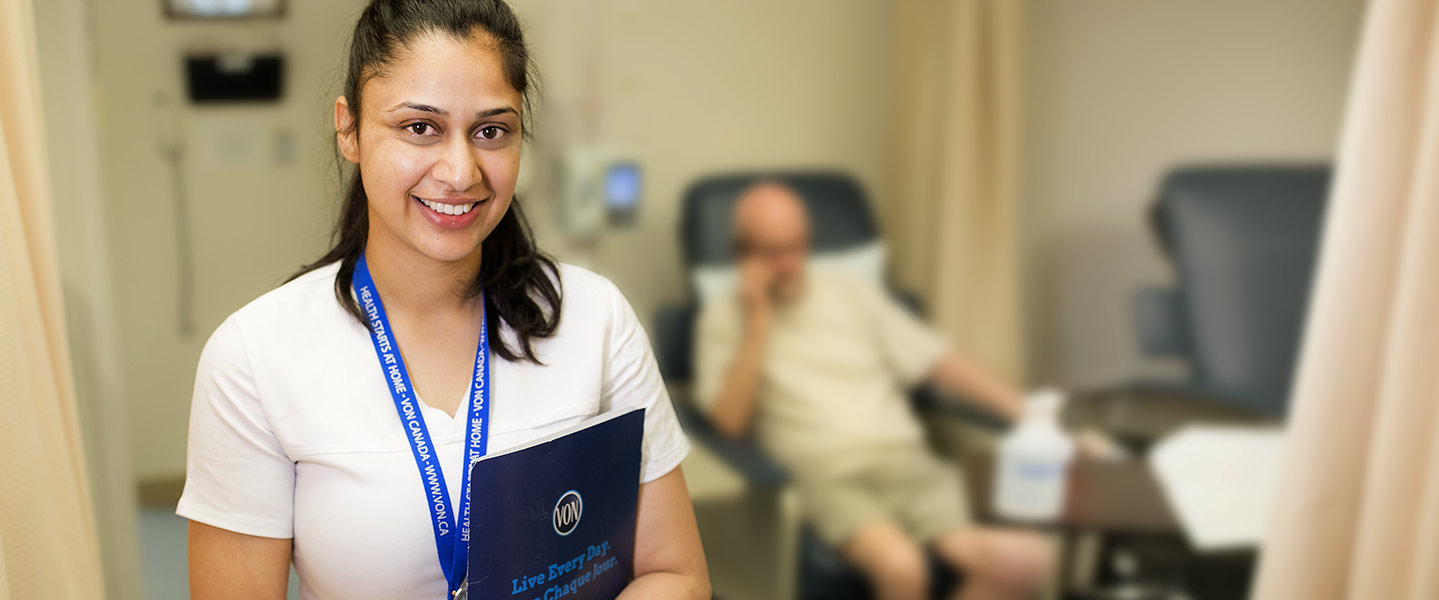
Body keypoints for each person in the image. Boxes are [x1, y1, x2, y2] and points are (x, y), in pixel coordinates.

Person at [178, 2, 709, 598]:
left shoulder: (596, 318)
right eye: (419, 127)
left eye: (490, 131)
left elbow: (675, 575)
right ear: (349, 130)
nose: (460, 172)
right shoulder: (254, 357)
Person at [695, 181, 1053, 600]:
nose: (790, 263)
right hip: (827, 474)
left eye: (798, 246)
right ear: (743, 254)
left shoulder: (852, 294)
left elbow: (938, 359)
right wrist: (758, 321)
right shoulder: (723, 320)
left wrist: (1029, 412)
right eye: (774, 252)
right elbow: (729, 423)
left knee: (1029, 560)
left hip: (908, 463)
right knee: (902, 568)